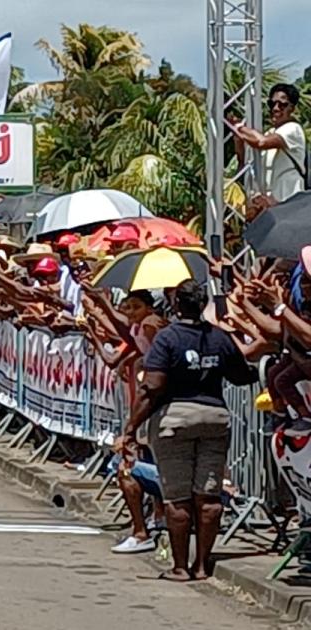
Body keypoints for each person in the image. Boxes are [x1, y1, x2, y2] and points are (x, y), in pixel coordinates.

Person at [123, 279, 257, 581]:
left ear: (176, 305)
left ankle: (181, 567)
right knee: (208, 495)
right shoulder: (220, 337)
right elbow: (241, 376)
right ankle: (202, 565)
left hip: (175, 418)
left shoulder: (168, 338)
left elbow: (153, 385)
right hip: (214, 416)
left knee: (178, 497)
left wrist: (132, 427)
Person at [233, 83, 306, 204]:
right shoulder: (269, 133)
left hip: (290, 203)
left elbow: (261, 142)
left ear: (292, 109)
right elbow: (244, 162)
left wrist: (240, 127)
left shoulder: (293, 129)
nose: (275, 108)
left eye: (282, 105)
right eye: (272, 104)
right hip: (270, 207)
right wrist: (239, 141)